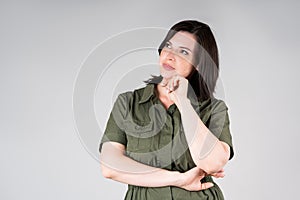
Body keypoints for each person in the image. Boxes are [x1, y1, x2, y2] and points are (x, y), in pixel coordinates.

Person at [99, 20, 234, 200]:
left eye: (183, 52)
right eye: (168, 46)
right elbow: (110, 167)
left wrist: (184, 103)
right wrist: (179, 179)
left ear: (199, 64)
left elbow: (212, 163)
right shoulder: (128, 102)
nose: (170, 56)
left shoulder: (214, 109)